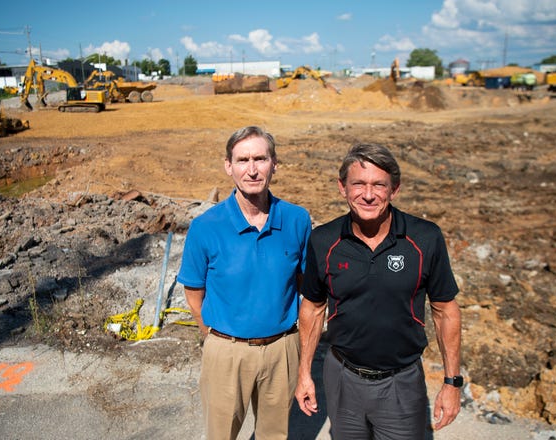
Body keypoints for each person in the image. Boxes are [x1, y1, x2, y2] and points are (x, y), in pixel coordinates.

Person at [295, 143, 462, 439]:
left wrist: (451, 383)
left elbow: (445, 311)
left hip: (401, 382)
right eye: (358, 183)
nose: (368, 195)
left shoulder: (425, 238)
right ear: (342, 187)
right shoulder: (324, 240)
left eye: (378, 185)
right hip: (342, 377)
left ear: (394, 189)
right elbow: (312, 307)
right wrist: (304, 373)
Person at [177, 125, 312, 440]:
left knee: (274, 434)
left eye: (260, 159)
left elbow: (307, 285)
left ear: (274, 164)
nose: (252, 170)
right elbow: (194, 291)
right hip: (227, 351)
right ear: (228, 166)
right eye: (242, 160)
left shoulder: (297, 220)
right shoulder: (205, 227)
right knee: (222, 434)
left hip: (282, 349)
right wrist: (213, 335)